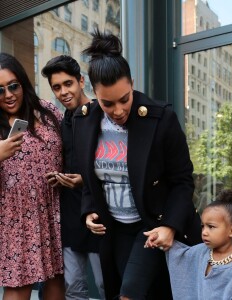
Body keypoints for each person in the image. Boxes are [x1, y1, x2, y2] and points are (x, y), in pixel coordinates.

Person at [72, 29, 202, 300]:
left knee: (129, 294)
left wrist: (170, 225)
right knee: (125, 291)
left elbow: (182, 180)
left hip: (152, 225)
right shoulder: (83, 121)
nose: (118, 111)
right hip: (114, 229)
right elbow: (89, 179)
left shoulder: (160, 118)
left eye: (125, 99)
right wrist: (88, 212)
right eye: (108, 104)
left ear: (133, 83)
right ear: (93, 93)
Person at [0, 53, 65, 299]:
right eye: (0, 90)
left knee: (57, 278)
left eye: (13, 86)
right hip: (15, 218)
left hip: (53, 209)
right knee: (18, 286)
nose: (8, 94)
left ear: (23, 83)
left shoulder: (47, 111)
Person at [41, 55, 105, 300]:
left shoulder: (102, 113)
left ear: (80, 81)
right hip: (70, 214)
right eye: (56, 87)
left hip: (99, 214)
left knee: (104, 285)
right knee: (74, 289)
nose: (63, 92)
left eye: (68, 84)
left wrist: (85, 181)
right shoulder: (63, 120)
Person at [161, 189, 232, 300]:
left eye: (211, 227)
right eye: (203, 226)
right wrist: (160, 239)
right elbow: (178, 254)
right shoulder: (200, 251)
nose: (204, 232)